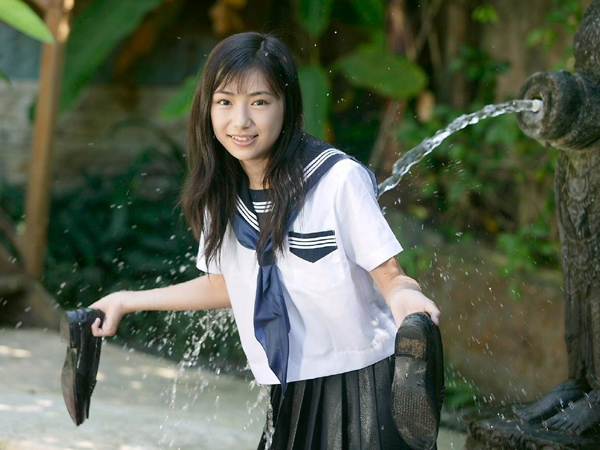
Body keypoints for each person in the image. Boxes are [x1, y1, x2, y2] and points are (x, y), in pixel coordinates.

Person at [89, 31, 441, 449]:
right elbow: (228, 284)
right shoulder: (219, 193)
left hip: (368, 384)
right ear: (207, 109)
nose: (240, 121)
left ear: (286, 107)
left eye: (259, 102)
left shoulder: (336, 180)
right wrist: (127, 299)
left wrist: (406, 301)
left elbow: (390, 276)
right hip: (291, 385)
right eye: (225, 102)